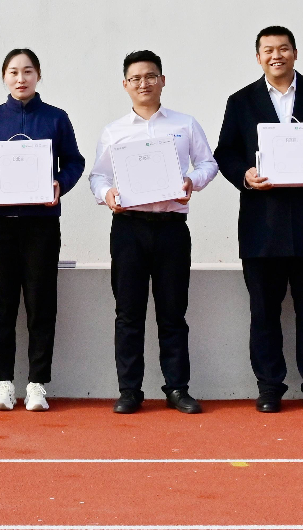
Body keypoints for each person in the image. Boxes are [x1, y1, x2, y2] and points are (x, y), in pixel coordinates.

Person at [213, 26, 303, 414]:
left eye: (283, 48)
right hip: (263, 225)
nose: (276, 55)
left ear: (295, 52)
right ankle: (269, 387)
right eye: (268, 50)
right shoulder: (241, 101)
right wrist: (245, 175)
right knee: (263, 312)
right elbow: (225, 153)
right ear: (258, 57)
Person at [88, 50, 219, 415]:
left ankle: (177, 388)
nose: (143, 83)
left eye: (150, 76)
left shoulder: (184, 124)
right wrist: (107, 194)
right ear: (125, 85)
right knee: (128, 313)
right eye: (136, 78)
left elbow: (209, 163)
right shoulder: (114, 131)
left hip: (171, 228)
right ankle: (130, 390)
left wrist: (192, 180)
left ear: (162, 80)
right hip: (128, 228)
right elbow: (98, 176)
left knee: (173, 313)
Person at [0, 47, 86, 412]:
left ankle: (37, 383)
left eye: (27, 71)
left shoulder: (56, 118)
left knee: (41, 303)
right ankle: (4, 382)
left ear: (38, 75)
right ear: (4, 77)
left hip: (41, 224)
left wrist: (59, 184)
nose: (20, 79)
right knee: (0, 304)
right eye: (13, 72)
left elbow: (74, 161)